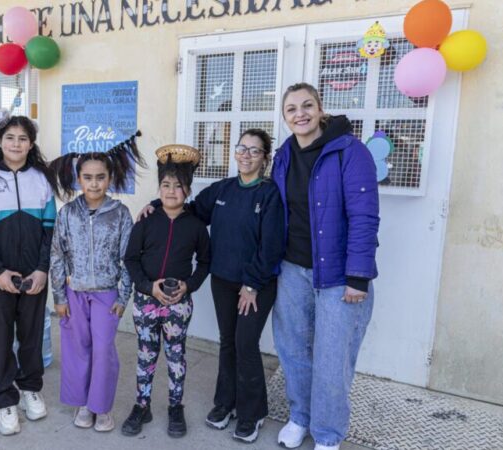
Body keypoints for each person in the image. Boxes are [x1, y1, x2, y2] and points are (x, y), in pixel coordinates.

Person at [138, 129, 285, 443]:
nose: (246, 155)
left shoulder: (269, 194)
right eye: (241, 148)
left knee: (246, 344)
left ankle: (252, 413)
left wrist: (252, 285)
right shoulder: (223, 189)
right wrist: (154, 203)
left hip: (255, 286)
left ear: (265, 158)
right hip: (223, 280)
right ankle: (225, 404)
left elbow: (272, 246)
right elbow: (186, 207)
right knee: (228, 342)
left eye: (254, 151)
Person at [270, 82, 380, 450]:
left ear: (320, 109)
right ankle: (300, 417)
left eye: (306, 106)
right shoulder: (283, 155)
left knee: (332, 361)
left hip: (337, 277)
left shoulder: (350, 151)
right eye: (291, 109)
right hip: (292, 270)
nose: (299, 114)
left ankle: (329, 435)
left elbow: (364, 215)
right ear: (285, 117)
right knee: (294, 351)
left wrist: (358, 277)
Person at [0, 116, 58, 436]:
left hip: (34, 275)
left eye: (23, 138)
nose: (16, 144)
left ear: (31, 144)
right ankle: (6, 399)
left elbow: (51, 229)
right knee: (1, 340)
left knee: (32, 336)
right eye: (10, 137)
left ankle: (30, 389)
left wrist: (42, 269)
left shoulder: (42, 179)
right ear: (0, 142)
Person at [49, 138, 145, 433]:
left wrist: (124, 294)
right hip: (74, 293)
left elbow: (128, 258)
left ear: (110, 178)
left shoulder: (119, 214)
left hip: (106, 295)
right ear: (78, 179)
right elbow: (57, 253)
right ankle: (82, 403)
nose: (94, 184)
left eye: (100, 177)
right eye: (87, 177)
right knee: (77, 349)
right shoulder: (67, 214)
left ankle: (101, 406)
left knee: (103, 350)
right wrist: (59, 295)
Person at [120, 145, 211, 438]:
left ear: (188, 189)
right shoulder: (146, 220)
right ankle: (142, 405)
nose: (171, 191)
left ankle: (175, 407)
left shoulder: (196, 226)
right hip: (146, 301)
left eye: (178, 185)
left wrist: (189, 285)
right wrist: (148, 286)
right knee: (146, 355)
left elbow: (206, 261)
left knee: (176, 356)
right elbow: (131, 259)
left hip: (178, 304)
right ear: (158, 188)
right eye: (165, 185)